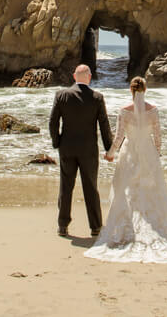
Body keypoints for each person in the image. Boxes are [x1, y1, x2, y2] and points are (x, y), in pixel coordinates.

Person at [85, 76, 167, 263]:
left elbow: (118, 138)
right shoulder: (153, 111)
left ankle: (126, 229)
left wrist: (110, 153)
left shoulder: (124, 111)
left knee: (126, 191)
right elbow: (158, 137)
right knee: (151, 190)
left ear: (131, 91)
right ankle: (153, 226)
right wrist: (156, 154)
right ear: (145, 90)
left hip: (129, 152)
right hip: (148, 152)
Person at [49, 64, 113, 237]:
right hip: (88, 150)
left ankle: (63, 226)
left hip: (67, 148)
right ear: (89, 77)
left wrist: (57, 143)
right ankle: (95, 226)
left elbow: (53, 122)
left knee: (65, 187)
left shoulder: (61, 95)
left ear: (74, 76)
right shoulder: (97, 98)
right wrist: (109, 149)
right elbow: (104, 125)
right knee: (91, 187)